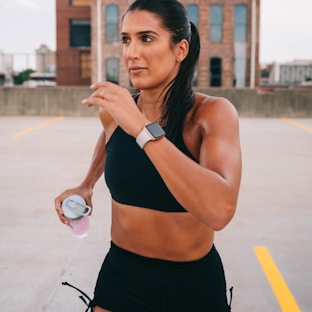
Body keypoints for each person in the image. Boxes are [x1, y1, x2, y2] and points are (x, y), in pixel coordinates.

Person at [54, 0, 242, 311]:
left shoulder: (212, 114)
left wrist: (142, 128)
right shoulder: (116, 114)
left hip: (193, 284)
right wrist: (86, 183)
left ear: (180, 50)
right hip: (122, 276)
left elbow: (220, 211)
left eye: (147, 38)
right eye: (126, 39)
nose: (131, 53)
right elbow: (110, 140)